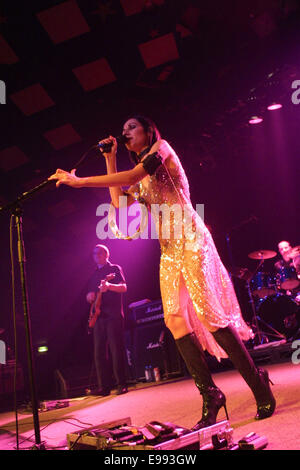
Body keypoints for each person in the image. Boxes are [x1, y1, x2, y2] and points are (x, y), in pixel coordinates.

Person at [49, 115, 276, 429]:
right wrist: (110, 159)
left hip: (192, 240)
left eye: (131, 127)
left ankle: (257, 383)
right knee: (174, 320)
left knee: (211, 318)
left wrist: (80, 181)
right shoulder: (140, 179)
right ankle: (211, 394)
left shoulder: (163, 150)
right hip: (169, 251)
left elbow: (135, 173)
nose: (125, 131)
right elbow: (118, 202)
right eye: (123, 129)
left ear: (149, 130)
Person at [86, 244, 128, 396]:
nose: (96, 256)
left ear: (106, 254)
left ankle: (121, 384)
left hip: (113, 315)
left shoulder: (115, 269)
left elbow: (124, 287)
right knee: (99, 353)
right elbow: (90, 295)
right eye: (94, 253)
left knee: (116, 350)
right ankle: (104, 387)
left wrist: (109, 286)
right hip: (99, 317)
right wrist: (89, 296)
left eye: (99, 253)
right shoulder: (93, 275)